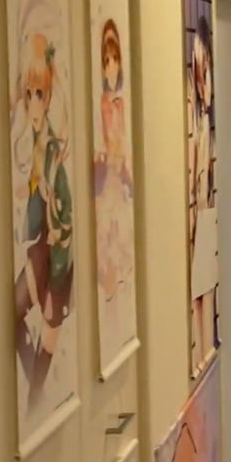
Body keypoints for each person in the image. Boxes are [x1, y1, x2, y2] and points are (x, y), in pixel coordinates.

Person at [13, 32, 73, 411]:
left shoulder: (50, 146)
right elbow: (37, 185)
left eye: (40, 94)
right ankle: (36, 402)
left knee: (49, 333)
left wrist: (56, 222)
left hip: (58, 256)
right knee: (14, 314)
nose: (34, 102)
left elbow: (62, 204)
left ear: (48, 98)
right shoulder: (36, 142)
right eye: (30, 93)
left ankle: (36, 402)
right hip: (44, 250)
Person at [94, 19, 134, 321]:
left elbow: (123, 148)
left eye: (115, 59)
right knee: (109, 248)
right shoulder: (103, 106)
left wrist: (128, 178)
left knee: (123, 250)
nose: (111, 66)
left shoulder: (120, 106)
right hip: (107, 184)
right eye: (106, 60)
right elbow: (105, 148)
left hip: (119, 183)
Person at [188, 15, 218, 369]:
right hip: (197, 222)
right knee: (199, 297)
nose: (202, 78)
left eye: (206, 68)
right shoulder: (194, 122)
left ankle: (205, 360)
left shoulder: (209, 126)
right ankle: (201, 362)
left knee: (206, 295)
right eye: (198, 68)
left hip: (208, 222)